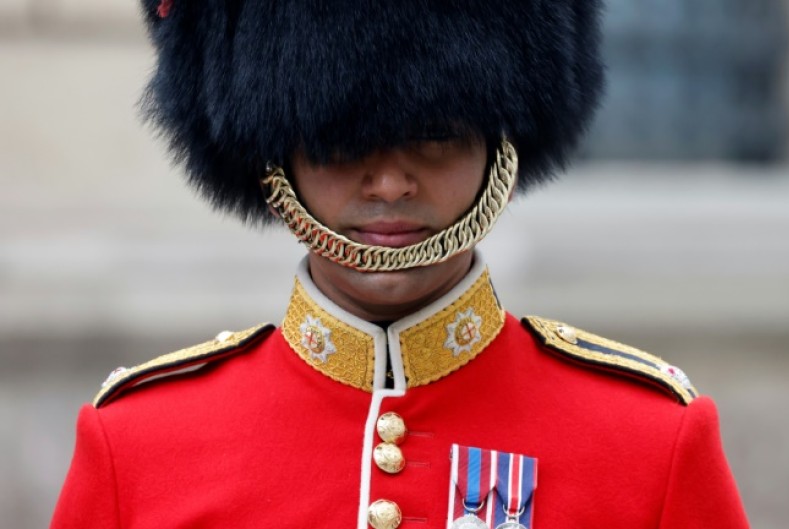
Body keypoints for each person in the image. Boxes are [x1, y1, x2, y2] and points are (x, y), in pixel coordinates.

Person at [51, 1, 749, 528]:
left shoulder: (651, 443)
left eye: (436, 134)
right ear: (277, 152)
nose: (389, 184)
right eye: (338, 138)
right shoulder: (136, 448)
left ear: (500, 142)